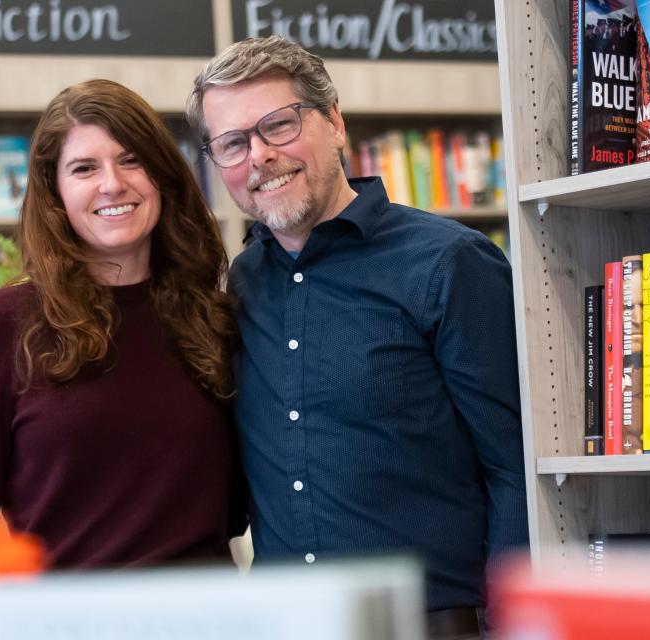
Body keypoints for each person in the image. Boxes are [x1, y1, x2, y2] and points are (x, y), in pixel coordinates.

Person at [186, 36, 528, 639]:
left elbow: (515, 469)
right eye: (233, 143)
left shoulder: (449, 263)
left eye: (278, 126)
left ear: (335, 122)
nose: (259, 156)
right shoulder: (241, 285)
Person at [0, 79, 245, 569]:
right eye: (84, 168)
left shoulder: (213, 315)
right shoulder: (1, 326)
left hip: (204, 614)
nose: (112, 183)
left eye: (131, 160)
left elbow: (234, 510)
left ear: (162, 175)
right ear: (55, 192)